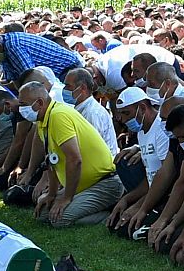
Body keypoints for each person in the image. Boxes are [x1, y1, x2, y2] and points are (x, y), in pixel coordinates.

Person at [15, 80, 123, 226]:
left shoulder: (58, 116)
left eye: (23, 104)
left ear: (39, 102)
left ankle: (111, 216)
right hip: (84, 185)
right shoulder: (43, 120)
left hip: (104, 183)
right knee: (43, 214)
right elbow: (52, 160)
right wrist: (52, 194)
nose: (20, 108)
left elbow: (74, 159)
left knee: (59, 220)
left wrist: (66, 198)